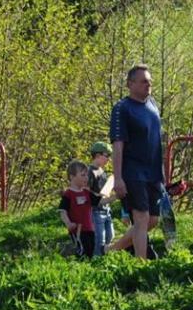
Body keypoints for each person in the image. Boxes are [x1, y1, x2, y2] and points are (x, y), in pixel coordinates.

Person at [107, 65, 164, 258]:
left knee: (152, 220)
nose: (148, 84)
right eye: (144, 81)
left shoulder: (152, 105)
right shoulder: (122, 108)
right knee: (141, 219)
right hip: (133, 172)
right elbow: (118, 145)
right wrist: (118, 178)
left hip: (153, 173)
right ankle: (141, 266)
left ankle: (110, 250)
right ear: (130, 84)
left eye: (150, 81)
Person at [59, 160, 98, 258]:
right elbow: (63, 211)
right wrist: (68, 223)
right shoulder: (68, 194)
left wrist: (116, 196)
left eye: (87, 175)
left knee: (91, 249)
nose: (86, 178)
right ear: (72, 177)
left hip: (90, 228)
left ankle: (86, 265)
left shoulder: (86, 192)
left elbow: (101, 201)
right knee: (82, 251)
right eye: (83, 175)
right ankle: (71, 258)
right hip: (78, 230)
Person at [88, 142, 115, 255]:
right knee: (100, 239)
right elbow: (87, 192)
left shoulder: (103, 171)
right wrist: (98, 196)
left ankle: (105, 257)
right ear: (97, 155)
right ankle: (97, 259)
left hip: (106, 209)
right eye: (107, 155)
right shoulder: (90, 171)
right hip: (96, 211)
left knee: (110, 235)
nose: (108, 159)